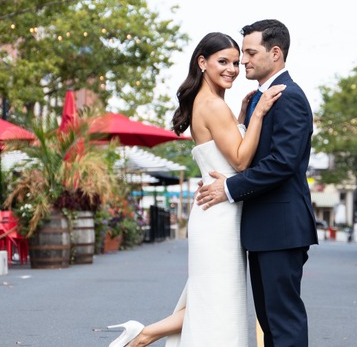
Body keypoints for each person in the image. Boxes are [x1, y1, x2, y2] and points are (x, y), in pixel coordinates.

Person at [106, 31, 285, 347]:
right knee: (218, 301)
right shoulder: (213, 105)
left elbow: (225, 148)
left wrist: (242, 117)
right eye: (222, 61)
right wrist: (258, 114)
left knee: (212, 299)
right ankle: (143, 334)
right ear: (202, 62)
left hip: (216, 212)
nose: (232, 68)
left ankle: (142, 335)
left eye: (234, 61)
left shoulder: (211, 103)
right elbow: (241, 161)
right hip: (219, 217)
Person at [196, 19, 318, 347]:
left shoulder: (289, 96)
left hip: (281, 229)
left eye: (250, 53)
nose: (243, 62)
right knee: (268, 321)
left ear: (275, 53)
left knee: (283, 321)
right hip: (262, 229)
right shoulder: (258, 99)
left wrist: (230, 187)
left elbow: (282, 164)